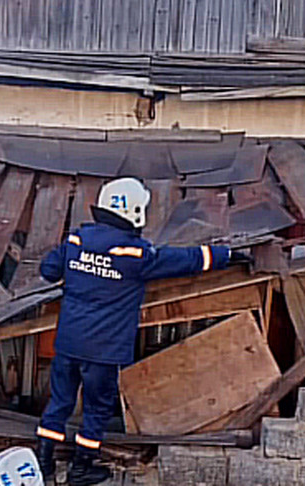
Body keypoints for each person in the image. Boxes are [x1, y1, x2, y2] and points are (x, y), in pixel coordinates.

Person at [35, 177, 231, 486]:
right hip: (104, 350)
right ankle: (81, 470)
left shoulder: (77, 241)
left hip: (69, 343)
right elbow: (187, 260)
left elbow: (47, 271)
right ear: (136, 212)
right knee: (97, 410)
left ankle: (44, 465)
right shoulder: (136, 254)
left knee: (59, 402)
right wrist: (228, 256)